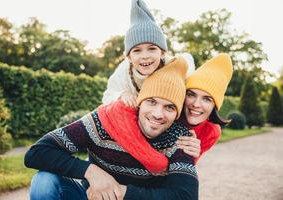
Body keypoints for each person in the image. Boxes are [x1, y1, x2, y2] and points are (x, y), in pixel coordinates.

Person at [24, 57, 199, 200]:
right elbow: (37, 152)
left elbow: (186, 196)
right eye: (151, 102)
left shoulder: (180, 138)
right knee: (44, 181)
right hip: (89, 197)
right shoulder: (104, 121)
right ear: (140, 103)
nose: (157, 114)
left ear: (177, 114)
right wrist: (91, 172)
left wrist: (119, 192)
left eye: (169, 107)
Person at [102, 0, 195, 108]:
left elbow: (188, 61)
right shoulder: (124, 71)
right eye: (137, 50)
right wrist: (121, 94)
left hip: (165, 115)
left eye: (152, 49)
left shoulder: (171, 65)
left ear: (162, 53)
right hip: (135, 115)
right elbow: (107, 96)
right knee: (116, 107)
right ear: (129, 57)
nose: (145, 56)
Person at [176, 53, 233, 161]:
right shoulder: (167, 115)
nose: (196, 104)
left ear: (214, 105)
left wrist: (192, 156)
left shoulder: (211, 131)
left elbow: (187, 170)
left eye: (207, 99)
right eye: (191, 94)